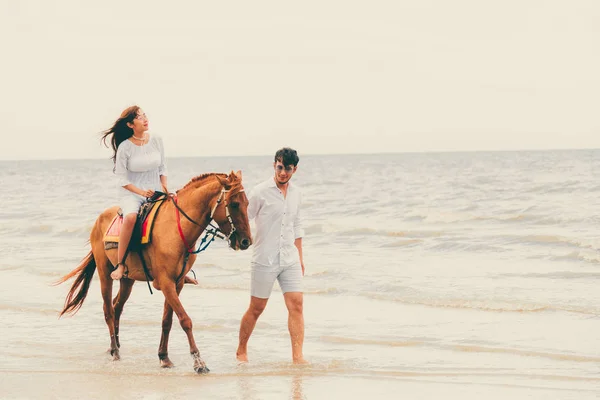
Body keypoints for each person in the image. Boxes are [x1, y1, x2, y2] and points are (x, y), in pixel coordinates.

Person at [236, 147, 307, 364]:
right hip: (264, 259)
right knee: (257, 308)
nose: (283, 172)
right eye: (280, 167)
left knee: (296, 304)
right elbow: (243, 218)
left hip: (289, 259)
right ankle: (241, 351)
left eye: (288, 168)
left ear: (295, 169)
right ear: (274, 165)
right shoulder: (259, 192)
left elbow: (297, 226)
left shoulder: (296, 193)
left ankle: (297, 357)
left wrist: (300, 258)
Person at [100, 106, 170, 280]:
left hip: (156, 191)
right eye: (140, 117)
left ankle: (180, 267)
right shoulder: (125, 147)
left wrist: (165, 187)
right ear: (130, 124)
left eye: (145, 115)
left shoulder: (156, 139)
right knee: (131, 217)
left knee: (177, 215)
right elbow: (122, 180)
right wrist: (141, 192)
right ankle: (121, 263)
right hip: (132, 194)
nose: (145, 119)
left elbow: (163, 167)